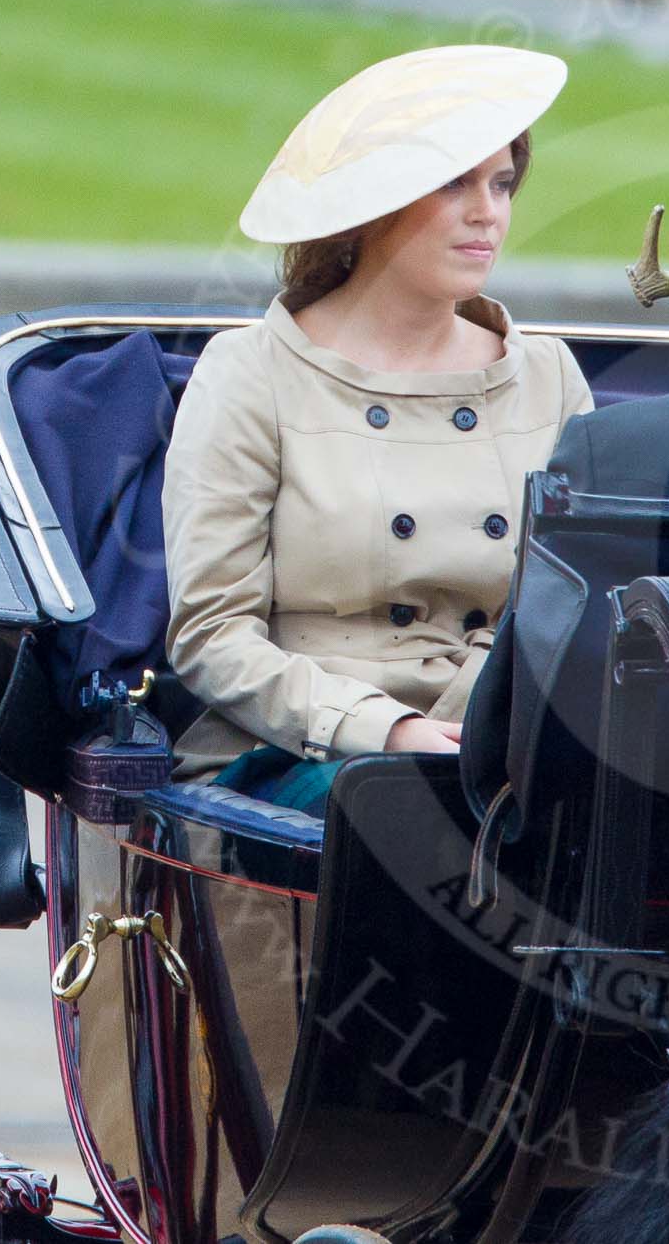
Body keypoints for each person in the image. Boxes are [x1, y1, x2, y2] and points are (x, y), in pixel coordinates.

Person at [163, 45, 594, 812]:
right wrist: (384, 729)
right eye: (453, 181)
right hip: (298, 752)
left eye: (501, 183)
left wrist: (485, 718)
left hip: (501, 744)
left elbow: (576, 600)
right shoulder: (251, 371)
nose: (487, 212)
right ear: (369, 203)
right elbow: (212, 636)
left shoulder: (550, 377)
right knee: (406, 819)